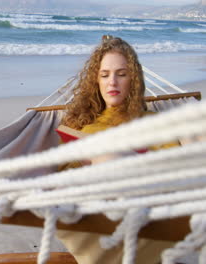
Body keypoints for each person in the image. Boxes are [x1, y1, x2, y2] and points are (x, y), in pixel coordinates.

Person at [56, 35, 179, 263]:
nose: (112, 82)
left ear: (133, 80)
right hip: (97, 212)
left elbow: (173, 166)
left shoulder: (154, 122)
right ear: (96, 81)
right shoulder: (83, 127)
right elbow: (61, 175)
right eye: (105, 75)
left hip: (149, 205)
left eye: (121, 74)